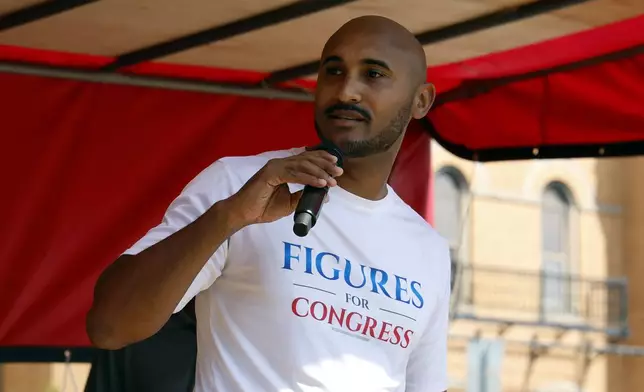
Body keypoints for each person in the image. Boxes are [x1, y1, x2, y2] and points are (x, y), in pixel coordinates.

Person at [86, 15, 451, 392]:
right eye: (334, 71)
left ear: (420, 100)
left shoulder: (430, 251)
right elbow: (110, 326)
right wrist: (229, 217)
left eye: (373, 74)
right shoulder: (238, 183)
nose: (347, 92)